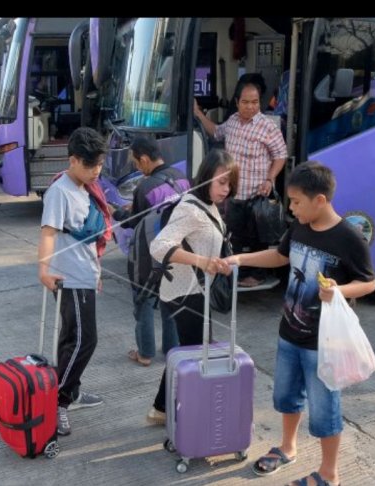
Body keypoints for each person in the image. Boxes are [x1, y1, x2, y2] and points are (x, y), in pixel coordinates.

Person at [224, 162, 375, 486]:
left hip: (324, 343)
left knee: (324, 411)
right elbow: (280, 256)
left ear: (319, 200)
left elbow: (369, 282)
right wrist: (240, 258)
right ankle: (288, 447)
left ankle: (329, 474)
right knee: (286, 397)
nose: (290, 208)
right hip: (289, 333)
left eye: (295, 201)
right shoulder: (300, 227)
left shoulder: (349, 237)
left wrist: (339, 291)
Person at [146, 148, 238, 425]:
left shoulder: (209, 206)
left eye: (230, 183)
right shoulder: (189, 208)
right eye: (222, 182)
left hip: (196, 292)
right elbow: (158, 246)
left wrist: (216, 262)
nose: (226, 189)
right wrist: (201, 261)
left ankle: (161, 410)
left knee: (189, 352)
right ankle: (184, 413)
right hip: (184, 294)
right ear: (206, 176)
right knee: (196, 355)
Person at [38, 127, 108, 437]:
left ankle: (72, 392)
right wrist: (43, 270)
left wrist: (97, 273)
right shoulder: (60, 191)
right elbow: (48, 233)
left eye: (100, 164)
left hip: (86, 276)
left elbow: (90, 239)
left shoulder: (85, 188)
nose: (97, 171)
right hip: (69, 279)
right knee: (84, 341)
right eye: (91, 165)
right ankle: (59, 402)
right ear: (73, 160)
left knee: (71, 339)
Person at [194, 80, 288, 287]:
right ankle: (231, 273)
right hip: (234, 195)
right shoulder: (233, 121)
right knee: (232, 236)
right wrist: (199, 114)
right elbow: (216, 132)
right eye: (245, 102)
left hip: (257, 194)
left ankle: (257, 276)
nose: (250, 107)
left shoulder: (267, 126)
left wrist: (270, 179)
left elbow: (281, 155)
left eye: (255, 102)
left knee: (257, 239)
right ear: (237, 102)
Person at [110, 136, 189, 366]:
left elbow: (135, 223)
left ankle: (145, 353)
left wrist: (115, 212)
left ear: (144, 159)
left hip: (149, 254)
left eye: (136, 163)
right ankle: (172, 349)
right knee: (171, 300)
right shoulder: (182, 178)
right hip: (177, 252)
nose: (137, 167)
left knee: (143, 301)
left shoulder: (145, 187)